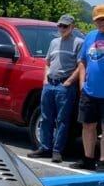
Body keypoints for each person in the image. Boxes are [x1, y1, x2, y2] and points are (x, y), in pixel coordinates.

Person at [28, 14, 83, 163]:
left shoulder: (78, 43)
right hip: (49, 84)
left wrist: (70, 81)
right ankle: (45, 148)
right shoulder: (53, 42)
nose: (62, 28)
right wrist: (45, 79)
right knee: (46, 117)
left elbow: (80, 66)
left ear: (72, 27)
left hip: (64, 86)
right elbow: (47, 63)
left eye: (65, 26)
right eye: (60, 25)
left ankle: (57, 151)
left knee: (62, 119)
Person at [69, 4, 104, 172]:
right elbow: (82, 61)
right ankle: (88, 159)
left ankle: (103, 161)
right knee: (88, 125)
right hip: (89, 91)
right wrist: (82, 83)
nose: (101, 23)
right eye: (98, 20)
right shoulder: (90, 37)